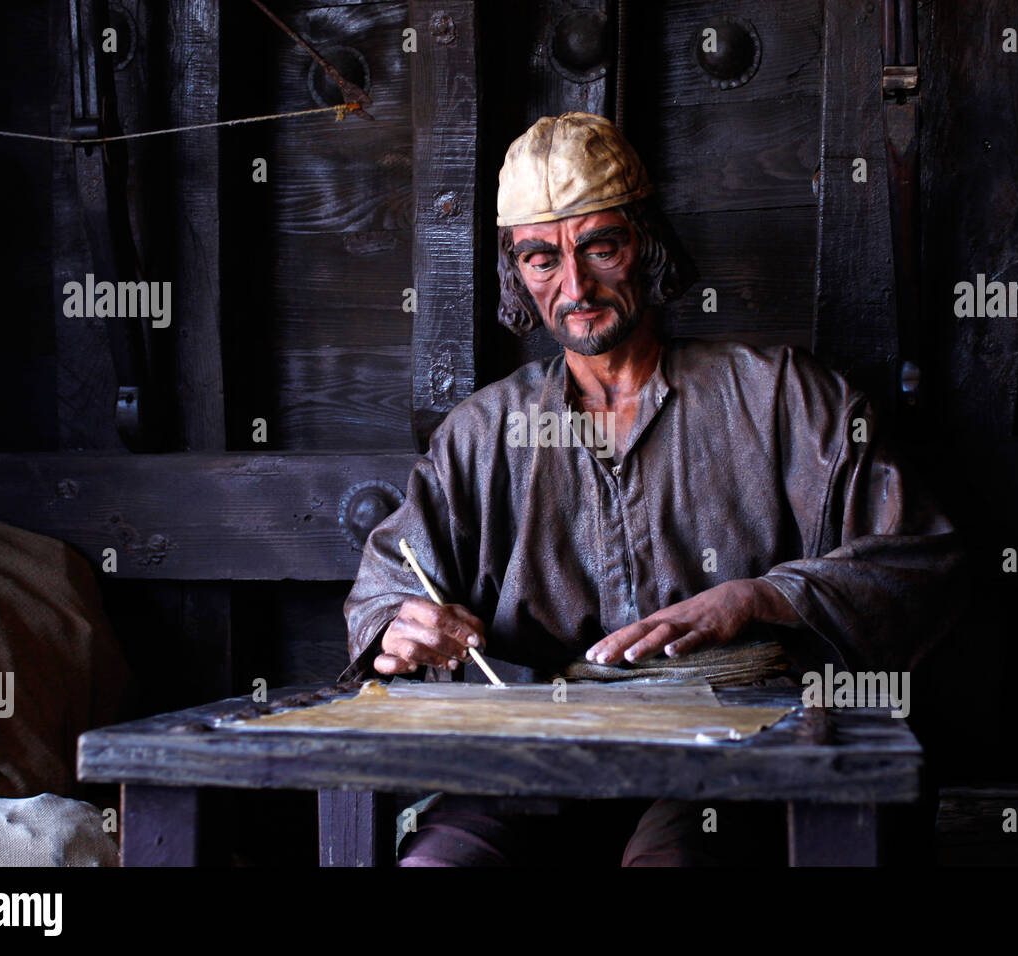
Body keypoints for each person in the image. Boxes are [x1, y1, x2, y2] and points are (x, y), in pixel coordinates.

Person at [342, 112, 965, 865]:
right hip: (543, 748)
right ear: (517, 274)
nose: (575, 287)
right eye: (541, 259)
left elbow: (921, 559)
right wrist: (399, 627)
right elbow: (385, 589)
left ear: (647, 245)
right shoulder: (483, 432)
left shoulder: (778, 396)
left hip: (730, 750)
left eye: (600, 247)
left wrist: (763, 597)